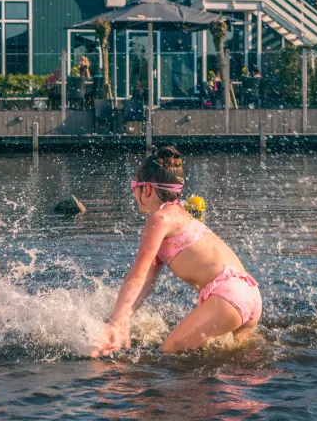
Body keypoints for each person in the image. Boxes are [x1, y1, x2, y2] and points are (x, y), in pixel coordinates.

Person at [91, 146, 261, 356]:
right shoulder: (180, 216)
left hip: (228, 298)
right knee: (236, 362)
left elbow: (136, 276)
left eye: (134, 185)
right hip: (250, 294)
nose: (132, 191)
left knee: (168, 352)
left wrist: (116, 323)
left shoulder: (160, 219)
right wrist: (119, 319)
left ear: (148, 189)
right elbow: (145, 283)